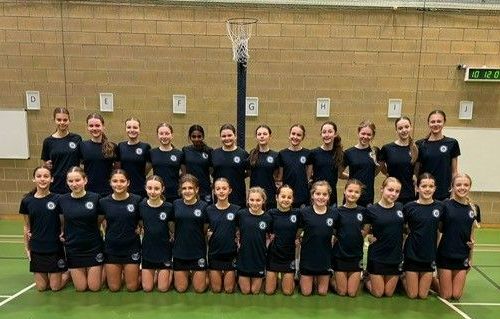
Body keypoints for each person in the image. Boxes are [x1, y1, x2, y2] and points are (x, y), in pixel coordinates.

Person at [19, 166, 67, 291]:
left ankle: (69, 272)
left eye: (46, 176)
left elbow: (63, 223)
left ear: (52, 179)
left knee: (55, 287)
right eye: (39, 176)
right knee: (41, 288)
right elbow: (27, 226)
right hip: (37, 247)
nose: (42, 179)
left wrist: (63, 233)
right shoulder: (27, 201)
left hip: (54, 247)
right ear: (33, 179)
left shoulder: (58, 199)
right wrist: (27, 247)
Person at [58, 166, 104, 292]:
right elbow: (62, 221)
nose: (74, 184)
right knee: (81, 288)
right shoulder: (62, 200)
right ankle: (68, 272)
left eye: (77, 180)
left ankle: (103, 268)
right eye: (70, 181)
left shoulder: (95, 198)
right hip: (73, 247)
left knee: (94, 288)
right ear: (67, 182)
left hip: (93, 246)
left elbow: (100, 219)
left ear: (85, 180)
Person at [437, 173, 478, 300]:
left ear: (470, 187)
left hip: (462, 255)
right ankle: (432, 281)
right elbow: (438, 231)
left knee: (456, 295)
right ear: (452, 187)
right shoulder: (445, 205)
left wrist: (471, 258)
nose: (462, 187)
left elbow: (472, 237)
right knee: (446, 295)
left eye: (466, 185)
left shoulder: (474, 208)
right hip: (445, 254)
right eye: (458, 184)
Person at [99, 169, 142, 292]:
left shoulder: (137, 200)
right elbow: (98, 222)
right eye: (115, 181)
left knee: (132, 287)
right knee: (114, 288)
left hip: (131, 247)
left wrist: (141, 228)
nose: (119, 184)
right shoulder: (103, 202)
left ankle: (140, 275)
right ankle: (115, 274)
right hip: (112, 248)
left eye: (122, 181)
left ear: (128, 182)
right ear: (110, 183)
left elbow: (142, 221)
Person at [403, 173, 443, 299]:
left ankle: (430, 281)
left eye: (431, 186)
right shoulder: (409, 207)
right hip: (412, 253)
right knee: (413, 295)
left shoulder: (440, 207)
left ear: (435, 188)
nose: (427, 189)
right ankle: (401, 277)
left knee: (423, 295)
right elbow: (399, 227)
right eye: (424, 186)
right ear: (417, 188)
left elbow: (442, 229)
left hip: (429, 254)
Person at [364, 177, 404, 298]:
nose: (393, 194)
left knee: (389, 293)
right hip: (378, 255)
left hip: (395, 256)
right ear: (382, 189)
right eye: (390, 190)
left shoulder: (401, 207)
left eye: (397, 191)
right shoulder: (371, 209)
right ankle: (366, 278)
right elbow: (365, 232)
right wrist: (369, 237)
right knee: (379, 293)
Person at [170, 174, 208, 293]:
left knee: (199, 289)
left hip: (197, 251)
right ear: (180, 190)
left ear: (196, 190)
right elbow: (171, 225)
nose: (187, 191)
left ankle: (206, 275)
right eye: (184, 188)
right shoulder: (175, 204)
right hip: (180, 251)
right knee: (181, 289)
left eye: (190, 188)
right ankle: (175, 274)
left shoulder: (204, 206)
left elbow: (205, 228)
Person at [331, 179, 368, 297]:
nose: (353, 194)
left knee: (352, 293)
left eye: (356, 192)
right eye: (350, 191)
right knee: (342, 292)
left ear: (360, 194)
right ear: (344, 192)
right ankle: (331, 279)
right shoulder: (337, 211)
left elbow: (366, 229)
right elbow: (334, 231)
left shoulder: (363, 211)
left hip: (356, 255)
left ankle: (365, 277)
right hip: (340, 255)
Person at [298, 181, 336, 296]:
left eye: (324, 194)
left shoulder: (334, 213)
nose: (321, 197)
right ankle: (301, 277)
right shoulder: (304, 212)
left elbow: (337, 232)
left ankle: (331, 278)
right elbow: (298, 232)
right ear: (312, 195)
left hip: (324, 258)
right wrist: (298, 238)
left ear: (329, 196)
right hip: (308, 258)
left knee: (322, 292)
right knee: (306, 292)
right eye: (318, 194)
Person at [138, 175, 174, 292]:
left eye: (156, 189)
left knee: (162, 288)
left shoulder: (169, 207)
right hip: (148, 250)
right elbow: (138, 223)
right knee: (147, 288)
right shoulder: (141, 206)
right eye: (150, 188)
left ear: (162, 189)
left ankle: (172, 271)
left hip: (164, 250)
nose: (153, 192)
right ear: (145, 188)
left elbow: (172, 228)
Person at [416, 110, 460, 200]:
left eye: (439, 121)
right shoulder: (420, 144)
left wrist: (453, 192)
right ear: (428, 123)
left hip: (444, 193)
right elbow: (416, 172)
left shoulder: (452, 143)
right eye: (433, 122)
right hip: (425, 192)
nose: (436, 124)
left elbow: (454, 171)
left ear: (444, 122)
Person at [206, 178, 240, 293]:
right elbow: (204, 229)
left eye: (224, 188)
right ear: (214, 191)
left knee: (229, 290)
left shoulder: (237, 210)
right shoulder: (208, 210)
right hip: (214, 253)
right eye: (218, 189)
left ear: (229, 190)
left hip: (230, 254)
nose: (221, 191)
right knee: (216, 290)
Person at [236, 187, 272, 295]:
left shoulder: (268, 218)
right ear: (247, 200)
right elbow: (235, 230)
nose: (254, 203)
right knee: (246, 291)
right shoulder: (241, 214)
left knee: (255, 291)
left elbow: (271, 235)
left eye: (258, 200)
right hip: (244, 257)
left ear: (263, 201)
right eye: (251, 200)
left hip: (259, 257)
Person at [265, 185, 299, 295]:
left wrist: (298, 237)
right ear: (276, 197)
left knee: (288, 292)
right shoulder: (270, 213)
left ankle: (288, 280)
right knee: (269, 291)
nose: (286, 199)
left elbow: (302, 227)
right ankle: (273, 280)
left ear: (293, 199)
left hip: (288, 256)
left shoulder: (297, 214)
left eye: (289, 197)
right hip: (273, 255)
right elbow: (265, 230)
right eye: (283, 196)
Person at [41, 107, 82, 194]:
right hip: (56, 186)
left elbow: (82, 159)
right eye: (59, 120)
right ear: (54, 120)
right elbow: (46, 165)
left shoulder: (77, 138)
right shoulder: (48, 141)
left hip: (74, 185)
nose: (62, 122)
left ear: (69, 120)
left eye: (65, 120)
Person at [379, 116, 418, 204]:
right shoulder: (387, 148)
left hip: (409, 194)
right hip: (392, 194)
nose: (404, 130)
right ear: (396, 130)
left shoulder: (416, 148)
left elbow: (417, 168)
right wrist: (387, 173)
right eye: (400, 128)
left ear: (410, 127)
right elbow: (381, 166)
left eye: (406, 127)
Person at [342, 120, 380, 207]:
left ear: (373, 136)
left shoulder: (375, 151)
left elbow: (377, 169)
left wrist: (369, 175)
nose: (365, 136)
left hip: (367, 195)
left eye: (369, 134)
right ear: (358, 133)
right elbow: (339, 173)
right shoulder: (349, 152)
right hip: (351, 194)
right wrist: (352, 177)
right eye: (363, 133)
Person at [211, 124, 249, 207]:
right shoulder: (214, 153)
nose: (227, 138)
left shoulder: (243, 154)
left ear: (235, 136)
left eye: (229, 135)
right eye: (224, 136)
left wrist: (238, 176)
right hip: (220, 196)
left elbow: (249, 171)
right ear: (220, 137)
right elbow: (211, 170)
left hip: (238, 195)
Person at [79, 113, 116, 196]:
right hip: (88, 191)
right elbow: (80, 167)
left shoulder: (112, 146)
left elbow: (117, 169)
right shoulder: (82, 146)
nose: (94, 128)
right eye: (91, 126)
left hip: (108, 192)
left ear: (103, 127)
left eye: (97, 125)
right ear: (87, 127)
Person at [309, 121, 343, 207]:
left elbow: (338, 174)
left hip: (332, 194)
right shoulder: (313, 153)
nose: (327, 135)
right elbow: (308, 176)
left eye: (330, 132)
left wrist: (351, 176)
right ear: (321, 134)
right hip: (317, 195)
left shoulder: (339, 153)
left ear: (335, 134)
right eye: (324, 132)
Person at [277, 124, 311, 208]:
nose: (295, 137)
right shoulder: (282, 154)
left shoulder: (307, 153)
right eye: (293, 134)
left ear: (303, 137)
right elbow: (280, 176)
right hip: (287, 196)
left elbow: (308, 176)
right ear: (289, 135)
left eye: (299, 135)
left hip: (302, 195)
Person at [116, 118, 151, 197]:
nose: (132, 130)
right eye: (129, 127)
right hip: (123, 188)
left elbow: (147, 168)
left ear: (139, 129)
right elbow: (118, 167)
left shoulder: (145, 147)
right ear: (125, 129)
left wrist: (138, 175)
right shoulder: (121, 146)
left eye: (135, 127)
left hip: (140, 188)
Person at [150, 123, 183, 203]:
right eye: (161, 133)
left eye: (167, 133)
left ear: (172, 135)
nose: (164, 136)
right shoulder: (152, 153)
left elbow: (184, 173)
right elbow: (145, 172)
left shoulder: (179, 153)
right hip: (157, 193)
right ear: (157, 135)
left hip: (174, 193)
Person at [249, 125, 279, 209]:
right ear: (256, 137)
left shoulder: (275, 155)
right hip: (255, 196)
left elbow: (278, 175)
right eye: (259, 134)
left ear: (270, 136)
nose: (262, 136)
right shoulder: (252, 154)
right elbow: (247, 172)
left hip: (270, 195)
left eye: (265, 134)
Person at [181, 124, 213, 204]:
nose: (196, 139)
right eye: (193, 136)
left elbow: (212, 170)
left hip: (205, 188)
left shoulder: (209, 151)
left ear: (203, 136)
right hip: (190, 188)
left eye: (199, 136)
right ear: (190, 137)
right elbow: (183, 169)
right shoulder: (185, 150)